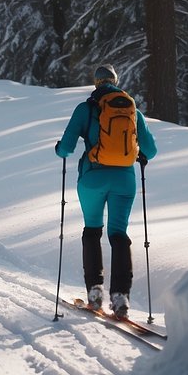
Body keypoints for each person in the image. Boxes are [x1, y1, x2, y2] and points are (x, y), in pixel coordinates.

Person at [54, 64, 157, 318]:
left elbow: (66, 148)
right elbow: (151, 150)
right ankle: (121, 296)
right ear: (115, 82)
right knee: (118, 233)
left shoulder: (86, 108)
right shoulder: (132, 111)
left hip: (93, 178)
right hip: (124, 180)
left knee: (92, 230)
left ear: (96, 83)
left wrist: (60, 149)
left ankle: (95, 292)